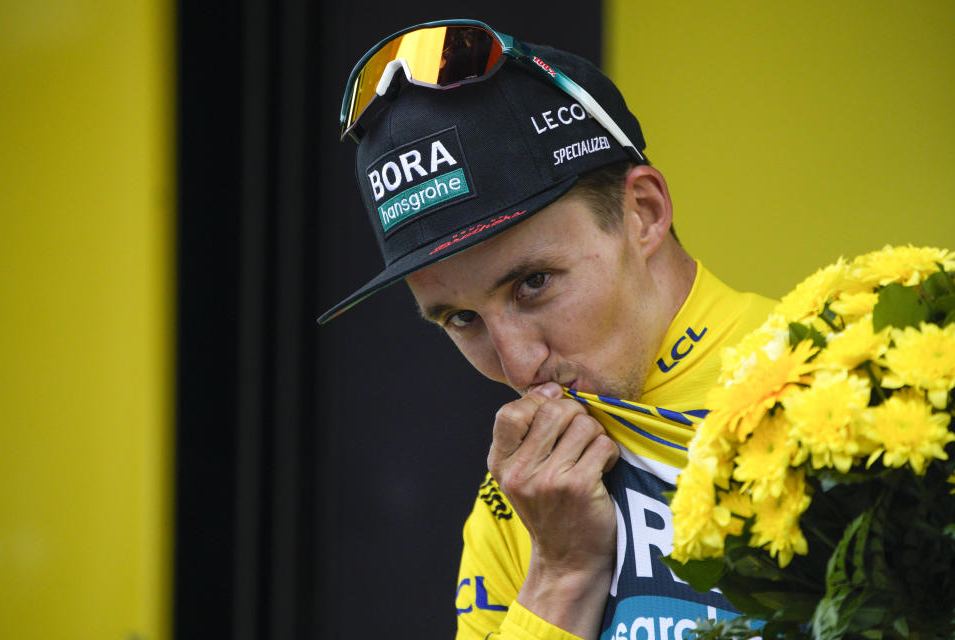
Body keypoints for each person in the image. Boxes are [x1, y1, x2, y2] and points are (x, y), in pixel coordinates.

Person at [319, 20, 776, 640]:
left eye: (532, 282)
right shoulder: (523, 500)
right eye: (461, 319)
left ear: (642, 214)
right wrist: (561, 575)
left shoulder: (857, 386)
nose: (517, 366)